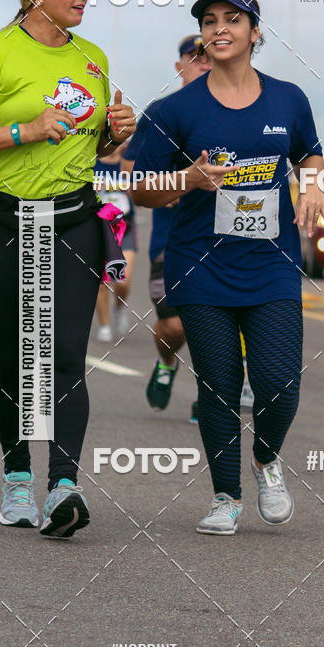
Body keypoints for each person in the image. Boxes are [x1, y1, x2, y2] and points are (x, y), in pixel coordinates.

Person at [0, 0, 136, 537]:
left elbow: (93, 147)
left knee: (62, 358)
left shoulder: (93, 57)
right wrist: (23, 129)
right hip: (2, 222)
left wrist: (114, 133)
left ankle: (63, 486)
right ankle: (17, 480)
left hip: (74, 221)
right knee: (13, 359)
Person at [132, 0, 324, 534]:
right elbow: (141, 189)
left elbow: (309, 151)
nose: (219, 28)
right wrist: (186, 179)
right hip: (200, 263)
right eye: (210, 20)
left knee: (279, 382)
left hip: (272, 264)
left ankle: (266, 460)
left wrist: (312, 186)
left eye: (232, 20)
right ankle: (225, 496)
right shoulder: (172, 109)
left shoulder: (288, 98)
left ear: (254, 32)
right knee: (217, 385)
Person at [121, 34, 211, 419]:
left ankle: (209, 400)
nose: (203, 63)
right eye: (195, 58)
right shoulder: (163, 110)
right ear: (180, 65)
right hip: (171, 239)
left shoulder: (238, 106)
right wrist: (168, 185)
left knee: (216, 325)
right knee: (174, 326)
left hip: (223, 237)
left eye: (208, 56)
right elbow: (129, 167)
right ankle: (167, 362)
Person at [94, 139, 137, 342]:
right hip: (100, 228)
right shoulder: (93, 163)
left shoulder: (129, 164)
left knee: (122, 280)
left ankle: (119, 308)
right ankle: (104, 325)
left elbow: (142, 194)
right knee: (102, 282)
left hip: (125, 226)